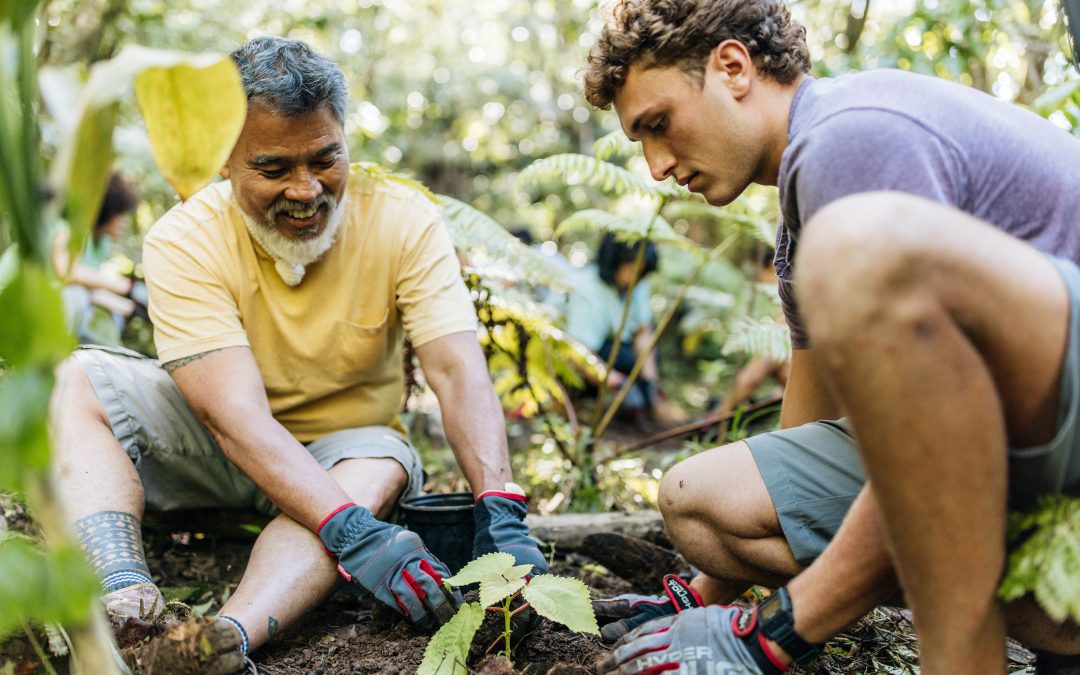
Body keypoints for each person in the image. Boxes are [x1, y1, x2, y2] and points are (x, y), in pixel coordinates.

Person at [580, 1, 1080, 673]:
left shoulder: (847, 140)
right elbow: (801, 439)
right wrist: (698, 599)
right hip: (1031, 442)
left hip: (1045, 399)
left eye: (659, 125)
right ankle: (1052, 616)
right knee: (703, 505)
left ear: (733, 67)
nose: (656, 165)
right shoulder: (802, 225)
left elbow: (930, 433)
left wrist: (775, 633)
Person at [48, 36, 545, 674]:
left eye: (324, 159)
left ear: (345, 140)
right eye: (275, 169)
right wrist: (352, 532)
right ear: (225, 159)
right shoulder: (183, 238)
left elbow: (455, 370)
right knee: (74, 379)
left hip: (349, 454)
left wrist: (499, 506)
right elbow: (235, 417)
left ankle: (221, 642)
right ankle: (125, 607)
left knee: (377, 463)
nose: (307, 190)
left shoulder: (403, 219)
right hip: (219, 442)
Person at [563, 232, 685, 427]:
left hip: (614, 348)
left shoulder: (637, 283)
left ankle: (645, 406)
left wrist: (650, 387)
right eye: (634, 270)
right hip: (583, 359)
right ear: (614, 262)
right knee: (622, 359)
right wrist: (619, 384)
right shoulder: (587, 290)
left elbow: (642, 332)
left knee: (644, 356)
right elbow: (577, 353)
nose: (638, 278)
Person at [52, 172, 146, 344]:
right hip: (21, 303)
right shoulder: (70, 229)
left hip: (55, 305)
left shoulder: (102, 244)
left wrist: (132, 308)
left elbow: (91, 292)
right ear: (107, 210)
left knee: (112, 314)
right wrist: (129, 287)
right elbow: (68, 272)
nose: (124, 222)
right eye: (120, 215)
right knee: (76, 298)